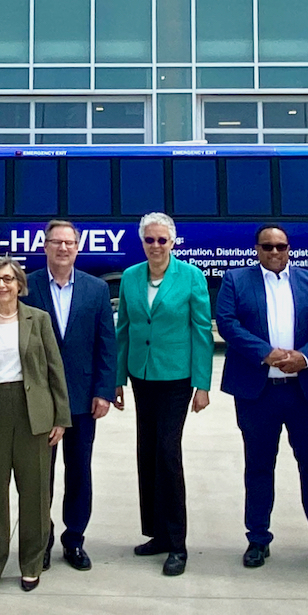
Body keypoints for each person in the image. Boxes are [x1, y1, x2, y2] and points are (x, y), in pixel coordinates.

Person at [214, 223, 308, 568]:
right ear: (256, 250)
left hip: (304, 391)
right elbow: (226, 322)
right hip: (258, 392)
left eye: (280, 246)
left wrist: (305, 357)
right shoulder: (236, 280)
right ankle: (257, 538)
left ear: (289, 249)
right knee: (258, 466)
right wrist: (266, 353)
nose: (274, 252)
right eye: (267, 246)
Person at [0, 257, 71, 592]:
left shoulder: (39, 320)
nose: (2, 285)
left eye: (8, 279)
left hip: (32, 411)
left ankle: (32, 563)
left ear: (20, 284)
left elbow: (54, 370)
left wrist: (60, 417)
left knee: (34, 492)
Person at [116, 212, 214, 576]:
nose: (156, 246)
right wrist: (117, 379)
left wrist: (202, 385)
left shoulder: (191, 277)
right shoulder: (130, 277)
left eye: (162, 240)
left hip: (176, 377)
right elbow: (123, 328)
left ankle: (177, 542)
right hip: (142, 374)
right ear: (142, 242)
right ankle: (156, 533)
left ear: (173, 242)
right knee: (147, 451)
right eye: (149, 240)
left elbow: (202, 330)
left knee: (168, 452)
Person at [25, 219, 117, 571]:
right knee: (39, 475)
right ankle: (42, 540)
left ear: (78, 247)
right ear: (44, 246)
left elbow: (106, 344)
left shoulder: (95, 289)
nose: (63, 248)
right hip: (39, 398)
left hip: (82, 398)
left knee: (79, 471)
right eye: (56, 242)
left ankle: (74, 539)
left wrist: (104, 391)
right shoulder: (28, 286)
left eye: (69, 242)